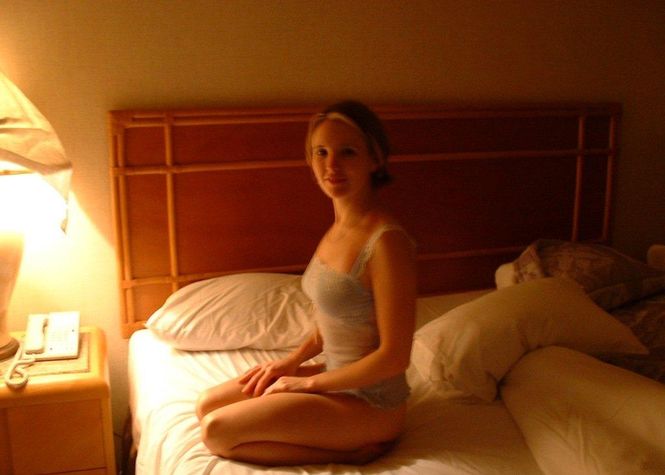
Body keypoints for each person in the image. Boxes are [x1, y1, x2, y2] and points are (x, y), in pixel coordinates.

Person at [196, 100, 417, 466]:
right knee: (206, 405)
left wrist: (306, 383)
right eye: (321, 152)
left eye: (347, 152)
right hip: (335, 376)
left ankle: (356, 453)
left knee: (216, 431)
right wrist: (291, 363)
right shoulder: (337, 230)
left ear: (375, 159)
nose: (332, 165)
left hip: (370, 402)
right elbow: (334, 318)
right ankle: (341, 440)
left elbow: (395, 357)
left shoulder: (386, 242)